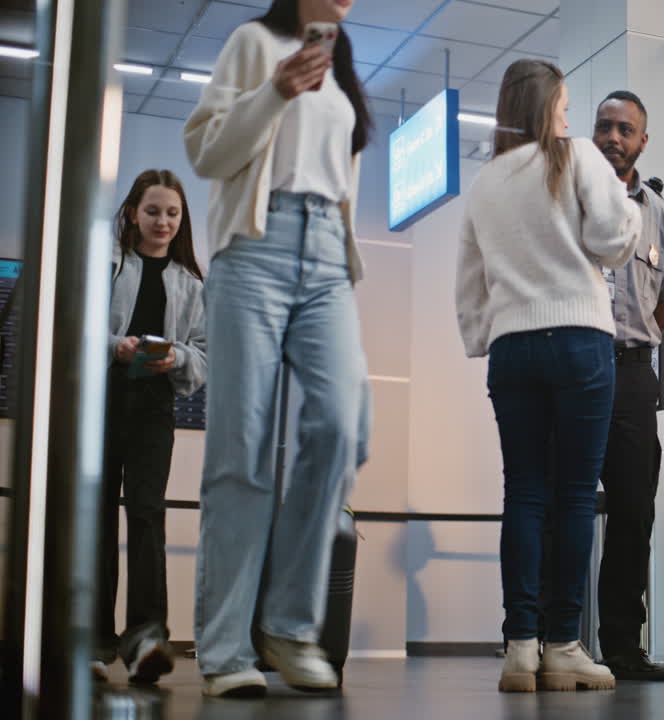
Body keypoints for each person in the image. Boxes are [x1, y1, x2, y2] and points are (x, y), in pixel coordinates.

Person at [184, 0, 373, 698]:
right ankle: (225, 649)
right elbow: (206, 152)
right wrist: (274, 92)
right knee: (243, 448)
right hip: (255, 248)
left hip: (326, 252)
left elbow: (341, 172)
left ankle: (290, 626)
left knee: (342, 426)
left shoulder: (341, 58)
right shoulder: (253, 43)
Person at [455, 58, 642, 693]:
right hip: (581, 341)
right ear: (547, 108)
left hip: (513, 349)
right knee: (575, 496)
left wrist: (482, 337)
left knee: (525, 494)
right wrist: (630, 213)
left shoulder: (485, 181)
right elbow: (612, 239)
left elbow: (470, 279)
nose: (568, 117)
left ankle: (519, 648)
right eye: (563, 107)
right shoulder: (578, 156)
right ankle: (563, 645)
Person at [589, 90, 664, 681]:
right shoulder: (568, 194)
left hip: (631, 373)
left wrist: (632, 336)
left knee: (633, 511)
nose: (613, 137)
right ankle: (545, 639)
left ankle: (624, 645)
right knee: (561, 504)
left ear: (642, 141)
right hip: (575, 367)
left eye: (625, 129)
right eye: (605, 126)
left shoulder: (661, 216)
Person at [96, 169, 207, 686]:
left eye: (172, 213)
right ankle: (95, 640)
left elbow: (203, 356)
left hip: (154, 407)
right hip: (101, 401)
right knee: (95, 518)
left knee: (146, 516)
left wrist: (175, 357)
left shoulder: (191, 283)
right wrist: (114, 346)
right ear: (133, 214)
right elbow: (76, 326)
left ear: (182, 219)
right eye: (153, 211)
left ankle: (146, 641)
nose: (163, 221)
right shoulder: (107, 265)